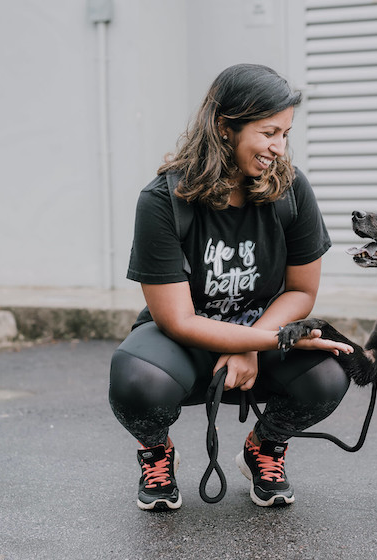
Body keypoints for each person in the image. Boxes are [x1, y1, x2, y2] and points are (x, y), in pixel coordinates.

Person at [109, 63, 353, 511]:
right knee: (136, 380)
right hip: (185, 341)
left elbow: (300, 292)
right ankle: (157, 451)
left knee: (328, 374)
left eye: (285, 134)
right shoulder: (163, 201)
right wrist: (264, 341)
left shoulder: (292, 190)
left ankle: (265, 446)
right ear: (225, 127)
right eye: (268, 133)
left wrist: (255, 344)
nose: (279, 148)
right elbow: (176, 319)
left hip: (262, 329)